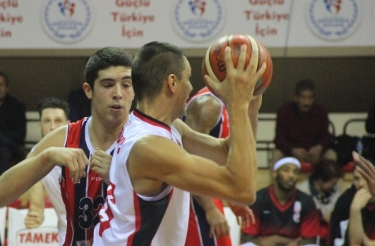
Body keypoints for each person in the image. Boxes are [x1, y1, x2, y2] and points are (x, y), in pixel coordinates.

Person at [94, 41, 264, 245]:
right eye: (189, 78)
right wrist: (236, 104)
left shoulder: (167, 126)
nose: (191, 87)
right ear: (172, 83)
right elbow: (242, 190)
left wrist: (249, 110)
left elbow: (228, 151)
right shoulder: (149, 146)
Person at [0, 47, 134, 246]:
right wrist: (46, 157)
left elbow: (168, 208)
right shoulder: (62, 139)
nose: (118, 93)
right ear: (88, 90)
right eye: (108, 85)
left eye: (126, 85)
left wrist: (119, 177)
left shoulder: (147, 137)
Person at [185, 86, 256, 246]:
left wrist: (232, 199)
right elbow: (188, 159)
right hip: (193, 197)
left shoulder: (235, 102)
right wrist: (210, 209)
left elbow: (245, 152)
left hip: (210, 191)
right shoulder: (208, 105)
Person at [241, 157, 322, 246]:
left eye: (295, 172)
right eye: (286, 170)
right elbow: (247, 237)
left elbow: (310, 239)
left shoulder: (306, 201)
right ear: (275, 173)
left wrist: (277, 240)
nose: (291, 175)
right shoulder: (259, 199)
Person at [24, 97, 71, 245]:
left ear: (67, 124)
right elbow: (37, 206)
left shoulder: (85, 147)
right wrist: (35, 216)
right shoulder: (33, 158)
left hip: (102, 229)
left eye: (57, 120)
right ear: (40, 125)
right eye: (47, 121)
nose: (52, 127)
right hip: (67, 232)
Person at [328, 160, 375, 246]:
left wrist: (371, 244)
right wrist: (355, 209)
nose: (361, 184)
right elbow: (354, 244)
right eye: (357, 178)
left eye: (365, 179)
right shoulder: (345, 202)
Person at [273, 79, 336, 165]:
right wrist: (292, 150)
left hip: (315, 156)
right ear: (295, 97)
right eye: (303, 97)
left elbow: (326, 136)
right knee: (277, 154)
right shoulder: (284, 111)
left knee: (331, 154)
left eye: (310, 97)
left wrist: (320, 147)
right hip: (291, 155)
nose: (307, 102)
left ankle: (331, 179)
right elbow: (279, 139)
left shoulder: (321, 111)